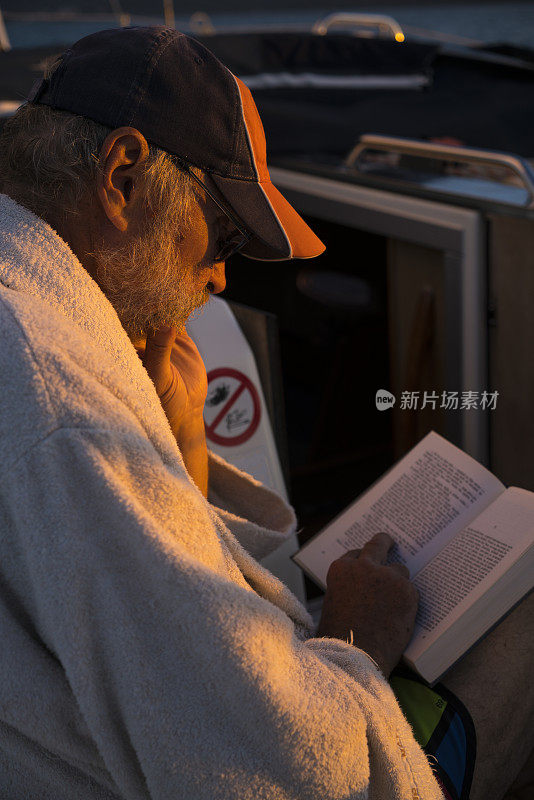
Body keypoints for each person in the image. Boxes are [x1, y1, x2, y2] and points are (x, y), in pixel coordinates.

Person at [0, 25, 529, 800]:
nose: (218, 278)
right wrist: (357, 640)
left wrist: (179, 459)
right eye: (225, 235)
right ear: (122, 176)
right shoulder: (64, 405)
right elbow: (276, 770)